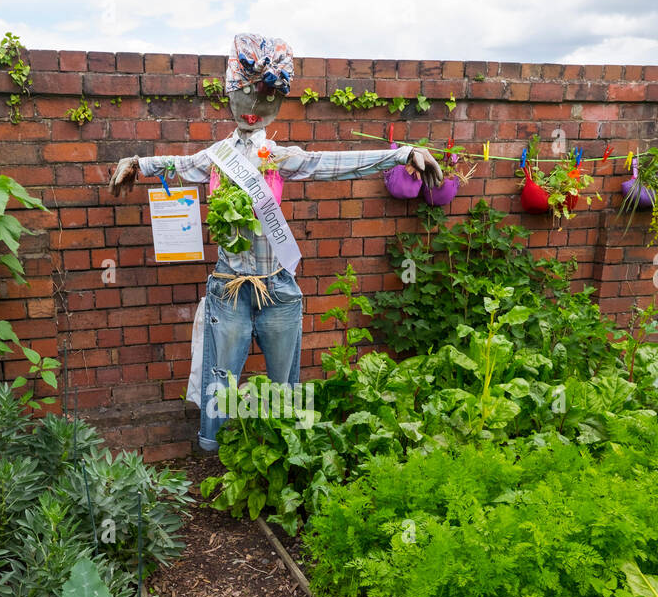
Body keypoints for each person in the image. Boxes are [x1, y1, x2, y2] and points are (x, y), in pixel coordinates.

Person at [109, 33, 442, 452]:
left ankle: (284, 456)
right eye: (247, 95)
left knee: (285, 387)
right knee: (221, 381)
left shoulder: (280, 157)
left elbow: (332, 163)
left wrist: (401, 154)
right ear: (232, 94)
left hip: (278, 287)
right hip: (228, 289)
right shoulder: (215, 157)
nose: (254, 108)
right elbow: (179, 165)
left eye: (266, 98)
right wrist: (138, 164)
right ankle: (217, 456)